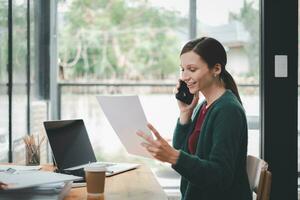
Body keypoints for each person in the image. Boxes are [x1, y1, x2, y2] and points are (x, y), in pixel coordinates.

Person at [136, 37, 252, 200]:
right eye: (182, 69)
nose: (184, 77)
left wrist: (173, 156)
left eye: (192, 69)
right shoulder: (204, 105)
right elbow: (183, 151)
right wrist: (185, 114)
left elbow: (220, 176)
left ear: (216, 69)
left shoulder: (228, 110)